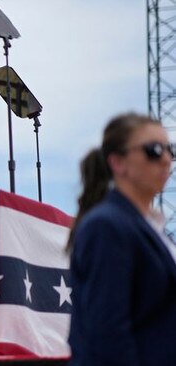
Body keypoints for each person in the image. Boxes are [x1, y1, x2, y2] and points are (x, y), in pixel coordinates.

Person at [67, 113, 176, 365]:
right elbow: (107, 333)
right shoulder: (107, 227)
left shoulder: (151, 228)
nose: (166, 159)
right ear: (118, 163)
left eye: (170, 149)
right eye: (154, 150)